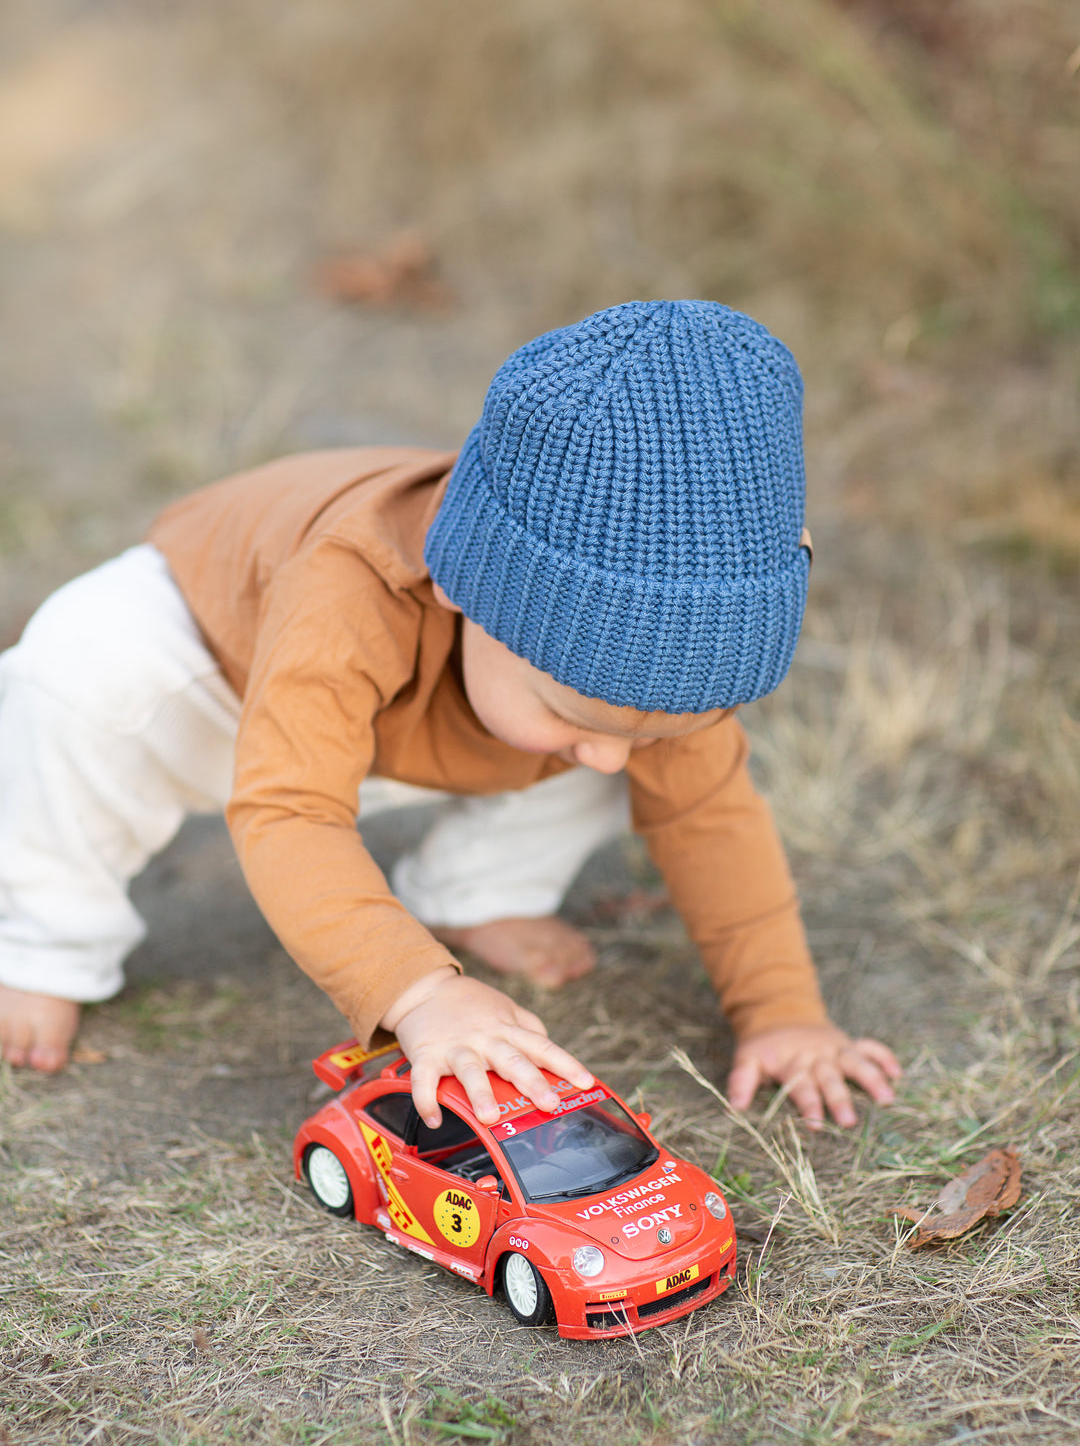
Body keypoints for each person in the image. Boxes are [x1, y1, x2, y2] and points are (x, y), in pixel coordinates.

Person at [0, 300, 900, 1130]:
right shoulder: (346, 589)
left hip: (432, 723)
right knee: (73, 690)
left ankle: (475, 893)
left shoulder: (615, 698)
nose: (614, 758)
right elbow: (289, 810)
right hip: (212, 684)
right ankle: (45, 944)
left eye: (655, 724)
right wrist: (419, 992)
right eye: (575, 708)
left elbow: (708, 815)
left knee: (639, 765)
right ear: (467, 589)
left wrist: (784, 1010)